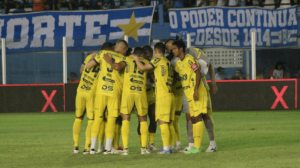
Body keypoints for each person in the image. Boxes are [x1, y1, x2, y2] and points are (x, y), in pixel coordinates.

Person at [131, 42, 175, 154]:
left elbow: (142, 68)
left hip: (163, 96)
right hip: (170, 95)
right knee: (169, 122)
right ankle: (170, 147)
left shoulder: (158, 60)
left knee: (162, 121)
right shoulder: (167, 62)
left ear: (156, 52)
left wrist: (136, 58)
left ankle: (165, 149)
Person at [106, 47, 150, 155]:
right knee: (143, 119)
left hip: (128, 93)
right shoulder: (146, 63)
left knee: (125, 119)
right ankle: (144, 149)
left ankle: (125, 149)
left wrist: (109, 61)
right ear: (142, 55)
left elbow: (118, 67)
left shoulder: (126, 60)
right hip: (141, 93)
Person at [87, 40, 128, 155]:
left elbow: (89, 65)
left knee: (98, 118)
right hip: (114, 92)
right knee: (111, 120)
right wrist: (110, 62)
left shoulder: (102, 53)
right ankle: (107, 149)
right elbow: (117, 67)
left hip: (101, 91)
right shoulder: (122, 58)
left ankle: (93, 148)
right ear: (123, 49)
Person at [72, 42, 114, 155]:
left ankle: (75, 147)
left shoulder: (90, 57)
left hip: (81, 91)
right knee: (91, 121)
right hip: (92, 93)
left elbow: (81, 71)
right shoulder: (104, 61)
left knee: (78, 118)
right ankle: (87, 147)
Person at [171, 40, 207, 154]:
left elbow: (198, 73)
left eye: (175, 49)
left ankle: (197, 147)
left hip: (196, 93)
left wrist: (196, 90)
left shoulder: (189, 59)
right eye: (172, 49)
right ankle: (195, 146)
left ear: (181, 49)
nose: (173, 51)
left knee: (197, 118)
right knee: (193, 119)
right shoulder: (179, 63)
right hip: (188, 94)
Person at [183, 47, 218, 152]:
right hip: (187, 89)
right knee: (189, 116)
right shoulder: (177, 59)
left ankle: (212, 144)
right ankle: (191, 145)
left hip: (200, 88)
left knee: (205, 115)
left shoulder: (191, 53)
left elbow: (209, 64)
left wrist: (213, 82)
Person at [136, 45, 159, 151]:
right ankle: (143, 143)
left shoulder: (152, 65)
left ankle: (151, 143)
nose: (149, 59)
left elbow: (155, 80)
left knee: (154, 118)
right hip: (141, 96)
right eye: (148, 56)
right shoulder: (137, 65)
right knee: (142, 121)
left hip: (151, 95)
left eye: (151, 56)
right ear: (142, 55)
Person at [165, 38, 182, 150]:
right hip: (170, 94)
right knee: (171, 120)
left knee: (177, 120)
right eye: (168, 47)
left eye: (172, 46)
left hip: (181, 93)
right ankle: (175, 143)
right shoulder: (166, 60)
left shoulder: (182, 58)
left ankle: (188, 143)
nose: (171, 49)